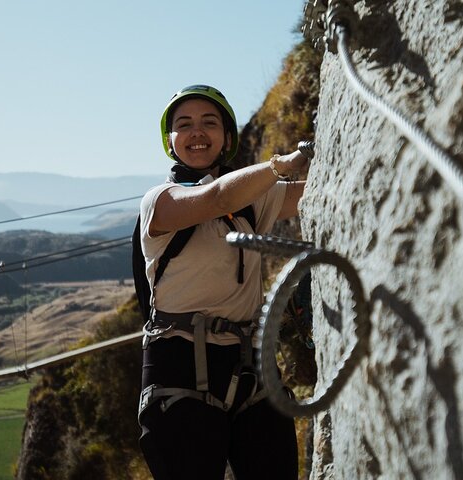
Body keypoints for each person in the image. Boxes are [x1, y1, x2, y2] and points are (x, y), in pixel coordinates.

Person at [137, 84, 309, 479]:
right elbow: (216, 199)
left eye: (209, 123)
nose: (197, 132)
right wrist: (280, 164)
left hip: (249, 364)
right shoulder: (159, 201)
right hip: (177, 365)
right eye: (185, 125)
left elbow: (315, 194)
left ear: (227, 138)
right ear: (171, 141)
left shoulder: (253, 199)